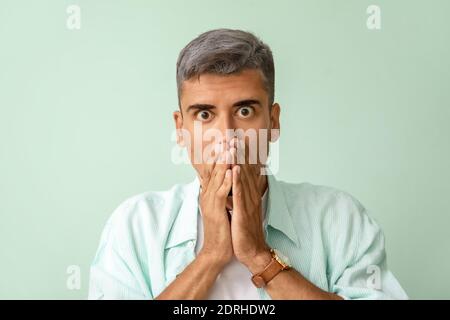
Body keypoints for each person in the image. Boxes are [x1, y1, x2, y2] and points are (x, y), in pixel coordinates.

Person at [88, 28, 408, 300]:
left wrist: (259, 256)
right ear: (180, 129)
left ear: (273, 120)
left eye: (244, 112)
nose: (227, 136)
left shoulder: (340, 219)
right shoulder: (134, 226)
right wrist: (211, 256)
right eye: (204, 114)